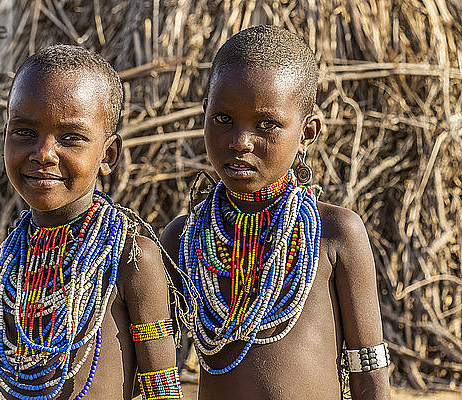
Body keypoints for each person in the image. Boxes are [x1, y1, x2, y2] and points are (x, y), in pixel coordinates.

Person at [160, 26, 391, 400]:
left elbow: (370, 376)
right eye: (222, 119)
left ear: (307, 132)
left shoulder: (335, 233)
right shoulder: (183, 240)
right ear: (204, 114)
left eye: (267, 125)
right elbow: (155, 364)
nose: (239, 141)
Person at [0, 44, 183, 400]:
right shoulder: (3, 270)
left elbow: (162, 391)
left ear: (108, 155)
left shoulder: (132, 260)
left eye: (70, 138)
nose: (43, 153)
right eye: (25, 132)